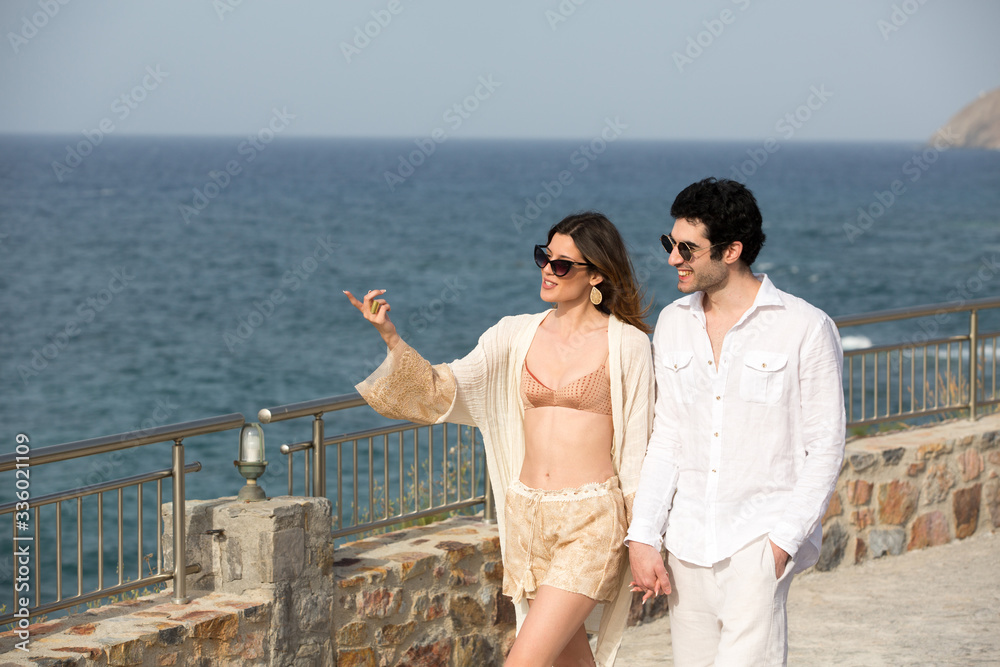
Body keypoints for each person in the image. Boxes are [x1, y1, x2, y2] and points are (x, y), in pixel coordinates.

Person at [344, 212, 654, 667]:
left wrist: (644, 539)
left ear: (598, 275)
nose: (548, 270)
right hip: (526, 518)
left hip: (591, 522)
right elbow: (443, 389)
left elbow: (638, 448)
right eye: (543, 257)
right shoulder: (513, 335)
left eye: (563, 265)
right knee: (570, 659)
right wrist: (390, 338)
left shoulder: (628, 345)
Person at [626, 178, 846, 666]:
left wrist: (782, 543)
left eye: (687, 248)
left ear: (732, 251)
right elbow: (668, 437)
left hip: (757, 541)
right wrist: (644, 534)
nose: (672, 259)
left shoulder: (805, 327)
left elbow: (825, 447)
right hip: (686, 544)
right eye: (670, 243)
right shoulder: (673, 323)